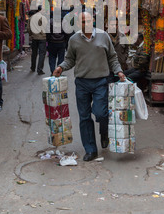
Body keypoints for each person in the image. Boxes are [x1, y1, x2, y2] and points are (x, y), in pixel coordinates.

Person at [53, 11, 125, 162]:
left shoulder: (103, 36)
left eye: (88, 21)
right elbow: (70, 60)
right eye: (83, 22)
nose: (86, 24)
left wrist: (118, 71)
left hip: (101, 81)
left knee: (101, 113)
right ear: (79, 24)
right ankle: (91, 149)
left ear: (93, 21)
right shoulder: (73, 40)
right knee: (84, 117)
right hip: (82, 83)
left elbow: (112, 57)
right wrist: (61, 67)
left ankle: (104, 133)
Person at [28, 6, 47, 75]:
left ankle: (33, 67)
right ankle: (39, 69)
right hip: (42, 37)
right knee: (42, 54)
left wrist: (31, 35)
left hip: (34, 37)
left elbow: (28, 28)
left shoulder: (32, 17)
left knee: (34, 53)